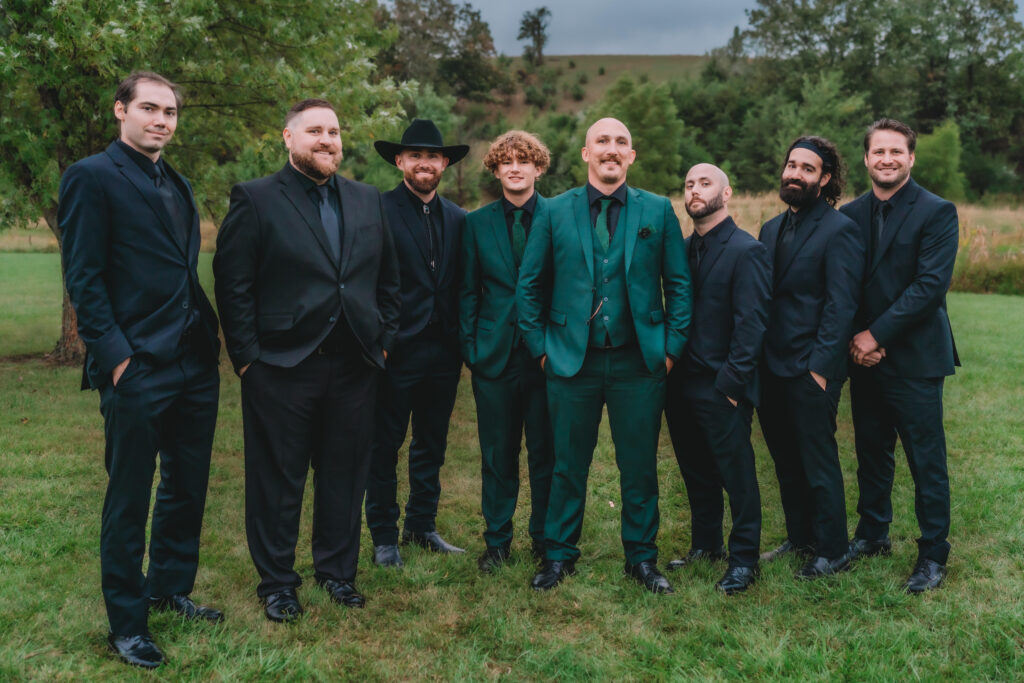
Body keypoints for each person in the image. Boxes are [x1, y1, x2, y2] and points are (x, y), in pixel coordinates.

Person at [59, 71, 222, 668]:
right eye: (150, 108)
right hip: (137, 366)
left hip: (194, 362)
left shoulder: (175, 180)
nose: (161, 120)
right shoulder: (91, 176)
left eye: (171, 112)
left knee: (186, 486)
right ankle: (127, 622)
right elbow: (84, 277)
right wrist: (117, 358)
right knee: (129, 497)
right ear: (120, 110)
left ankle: (170, 587)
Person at [214, 99, 400, 621]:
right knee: (278, 480)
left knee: (345, 475)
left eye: (335, 131)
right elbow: (233, 284)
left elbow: (389, 279)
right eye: (314, 130)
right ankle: (277, 583)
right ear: (288, 138)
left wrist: (383, 340)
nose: (327, 140)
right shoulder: (255, 199)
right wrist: (248, 359)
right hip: (281, 367)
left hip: (356, 365)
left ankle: (337, 573)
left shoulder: (366, 200)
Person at [517, 117, 691, 594]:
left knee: (639, 466)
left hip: (640, 362)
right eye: (602, 141)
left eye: (621, 142)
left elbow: (678, 285)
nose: (612, 149)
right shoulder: (554, 211)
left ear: (631, 156)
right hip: (571, 362)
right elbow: (529, 287)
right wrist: (542, 352)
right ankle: (558, 556)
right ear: (586, 153)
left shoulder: (657, 210)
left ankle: (641, 559)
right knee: (567, 464)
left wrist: (670, 351)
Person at [840, 118, 959, 593]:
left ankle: (933, 554)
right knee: (871, 453)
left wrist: (876, 334)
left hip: (916, 358)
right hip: (864, 358)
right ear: (866, 159)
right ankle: (872, 534)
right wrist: (856, 338)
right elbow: (841, 285)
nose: (886, 159)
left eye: (896, 151)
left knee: (925, 459)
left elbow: (929, 287)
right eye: (878, 152)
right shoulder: (848, 215)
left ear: (910, 158)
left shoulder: (937, 211)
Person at [757, 136, 864, 579]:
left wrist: (820, 368)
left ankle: (834, 547)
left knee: (818, 460)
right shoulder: (768, 229)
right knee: (784, 458)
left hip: (812, 368)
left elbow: (842, 306)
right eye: (791, 165)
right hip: (770, 366)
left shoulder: (840, 230)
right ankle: (800, 538)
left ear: (824, 179)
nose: (794, 173)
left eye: (807, 168)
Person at [366, 119, 469, 567]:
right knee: (384, 444)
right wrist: (379, 340)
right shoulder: (376, 211)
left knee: (432, 441)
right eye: (415, 156)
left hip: (444, 351)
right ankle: (384, 535)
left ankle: (422, 524)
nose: (424, 163)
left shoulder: (460, 219)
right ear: (400, 161)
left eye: (432, 156)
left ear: (444, 163)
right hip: (394, 350)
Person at [663, 164, 771, 594]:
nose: (694, 190)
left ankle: (744, 560)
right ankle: (705, 546)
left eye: (704, 183)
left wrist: (732, 385)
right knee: (695, 470)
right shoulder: (682, 249)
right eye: (688, 183)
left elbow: (753, 324)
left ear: (726, 194)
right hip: (680, 382)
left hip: (723, 384)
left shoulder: (747, 251)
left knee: (736, 474)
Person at [459, 131, 554, 573]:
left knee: (545, 452)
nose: (515, 167)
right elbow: (467, 292)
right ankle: (497, 541)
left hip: (546, 357)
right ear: (495, 169)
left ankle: (544, 538)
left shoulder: (558, 217)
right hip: (493, 357)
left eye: (524, 160)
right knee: (497, 455)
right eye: (506, 161)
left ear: (538, 167)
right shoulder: (475, 224)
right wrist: (472, 349)